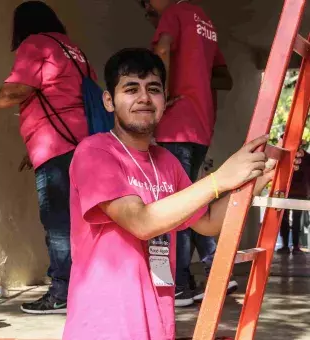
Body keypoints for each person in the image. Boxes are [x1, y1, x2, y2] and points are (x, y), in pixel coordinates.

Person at [63, 47, 278, 340]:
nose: (143, 98)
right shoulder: (95, 152)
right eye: (131, 89)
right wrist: (219, 179)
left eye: (153, 89)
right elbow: (141, 222)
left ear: (165, 101)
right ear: (109, 101)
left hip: (159, 323)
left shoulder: (166, 161)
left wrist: (258, 177)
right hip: (106, 326)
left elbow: (210, 222)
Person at [0, 1, 96, 314]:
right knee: (80, 220)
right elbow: (67, 97)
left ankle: (62, 291)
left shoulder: (35, 43)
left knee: (56, 222)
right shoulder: (72, 49)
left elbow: (17, 91)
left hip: (57, 148)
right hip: (82, 145)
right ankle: (86, 286)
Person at [142, 0, 235, 306]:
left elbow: (163, 49)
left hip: (176, 124)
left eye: (145, 3)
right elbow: (225, 78)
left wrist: (162, 93)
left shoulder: (173, 13)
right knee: (190, 201)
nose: (147, 9)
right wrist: (197, 79)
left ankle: (178, 282)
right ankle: (211, 266)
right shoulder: (205, 21)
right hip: (201, 124)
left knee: (173, 207)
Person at [277, 138, 310, 254]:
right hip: (286, 192)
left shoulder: (307, 158)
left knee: (295, 221)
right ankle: (287, 245)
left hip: (299, 193)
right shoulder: (286, 155)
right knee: (284, 220)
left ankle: (294, 246)